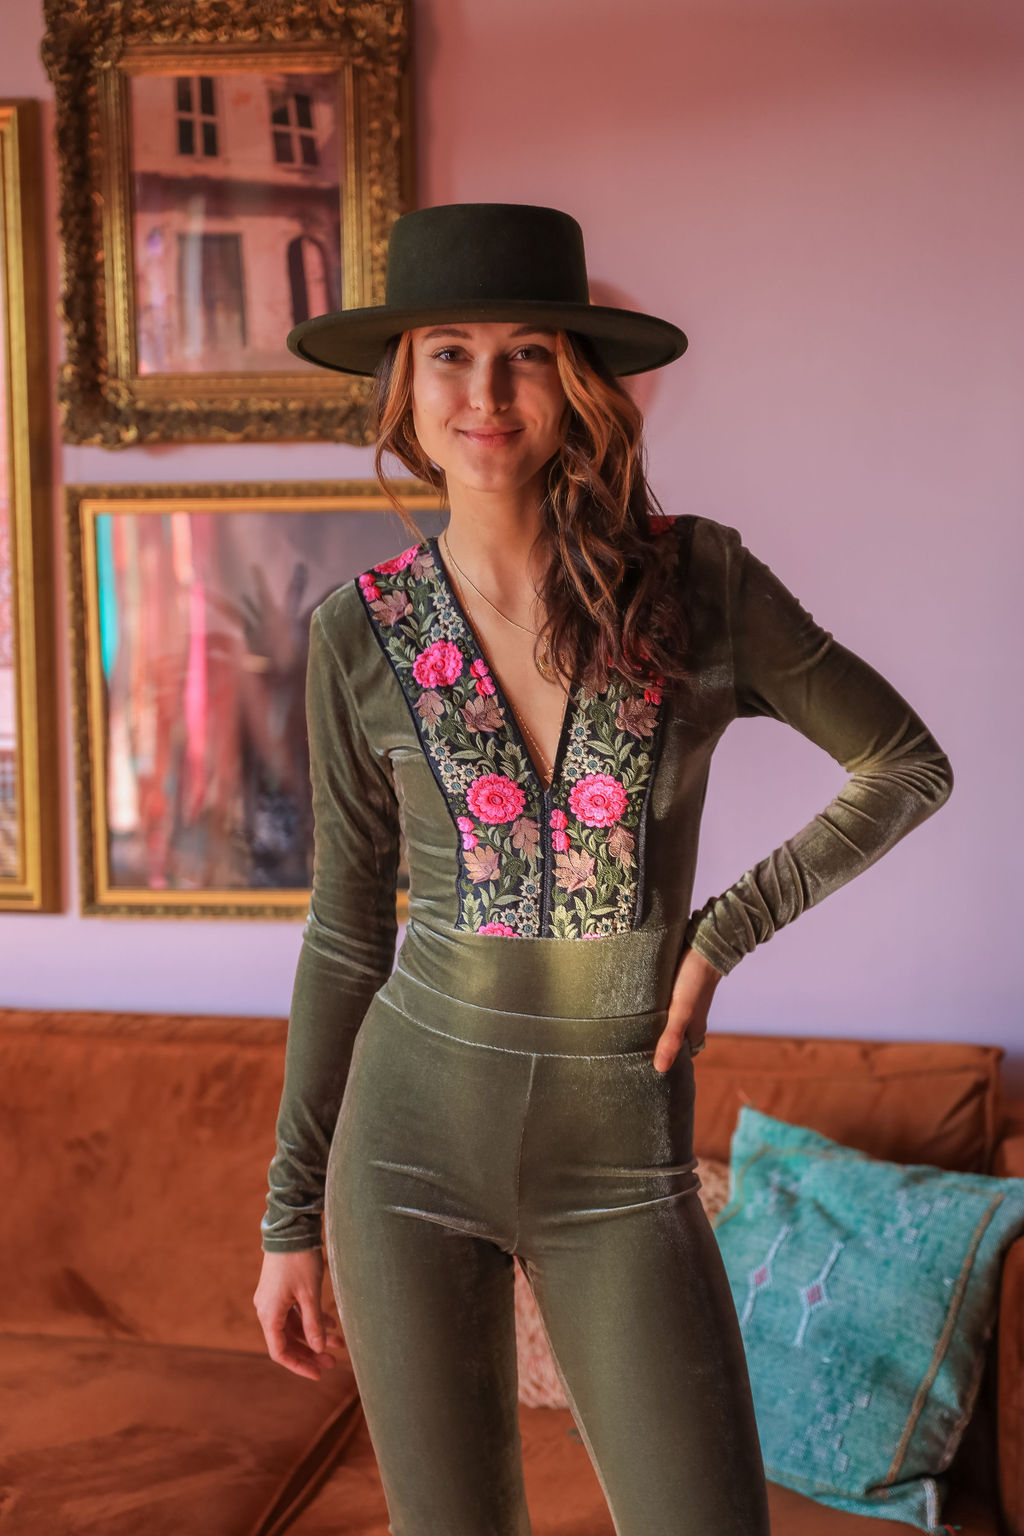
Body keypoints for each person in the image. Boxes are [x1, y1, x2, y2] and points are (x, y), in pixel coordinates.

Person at [253, 203, 954, 1535]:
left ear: (576, 381)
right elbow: (345, 938)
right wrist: (290, 1222)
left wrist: (721, 933)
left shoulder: (699, 582)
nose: (486, 391)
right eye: (449, 354)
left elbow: (905, 764)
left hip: (622, 1168)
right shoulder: (358, 633)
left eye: (526, 352)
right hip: (401, 1160)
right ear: (404, 391)